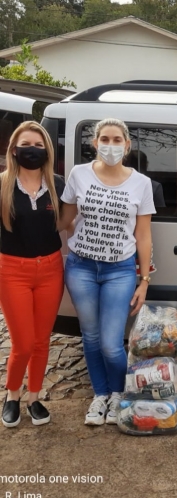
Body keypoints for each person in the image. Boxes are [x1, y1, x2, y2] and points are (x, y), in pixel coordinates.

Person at [59, 118, 156, 426]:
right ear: (94, 142)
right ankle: (100, 396)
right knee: (89, 335)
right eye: (105, 138)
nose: (110, 145)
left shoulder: (141, 183)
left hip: (120, 271)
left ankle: (118, 393)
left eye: (117, 140)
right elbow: (65, 220)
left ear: (127, 146)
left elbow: (143, 236)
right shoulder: (79, 174)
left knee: (111, 343)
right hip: (81, 267)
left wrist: (144, 280)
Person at [0, 121, 65, 428]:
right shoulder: (1, 184)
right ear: (14, 150)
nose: (33, 150)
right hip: (12, 270)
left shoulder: (58, 185)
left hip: (51, 269)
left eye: (39, 146)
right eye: (27, 145)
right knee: (22, 343)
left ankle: (34, 397)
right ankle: (12, 395)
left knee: (41, 341)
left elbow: (71, 220)